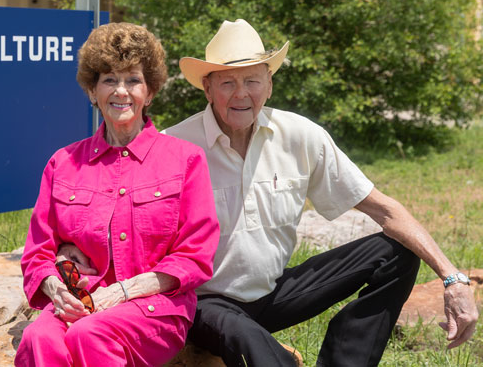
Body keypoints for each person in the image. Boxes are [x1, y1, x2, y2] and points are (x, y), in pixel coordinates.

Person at [61, 19, 478, 367]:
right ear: (208, 89)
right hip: (203, 301)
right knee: (251, 342)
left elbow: (384, 209)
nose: (241, 94)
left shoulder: (300, 135)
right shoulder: (175, 147)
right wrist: (72, 252)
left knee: (397, 251)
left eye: (252, 80)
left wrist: (452, 277)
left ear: (269, 84)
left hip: (274, 292)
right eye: (227, 83)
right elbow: (112, 211)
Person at [15, 22, 219, 367]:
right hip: (82, 298)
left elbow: (194, 257)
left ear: (150, 92)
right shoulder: (62, 163)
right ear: (93, 91)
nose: (120, 91)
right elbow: (38, 252)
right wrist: (56, 290)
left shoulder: (186, 160)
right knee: (38, 336)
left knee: (89, 334)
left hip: (156, 306)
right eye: (109, 79)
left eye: (133, 80)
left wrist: (122, 292)